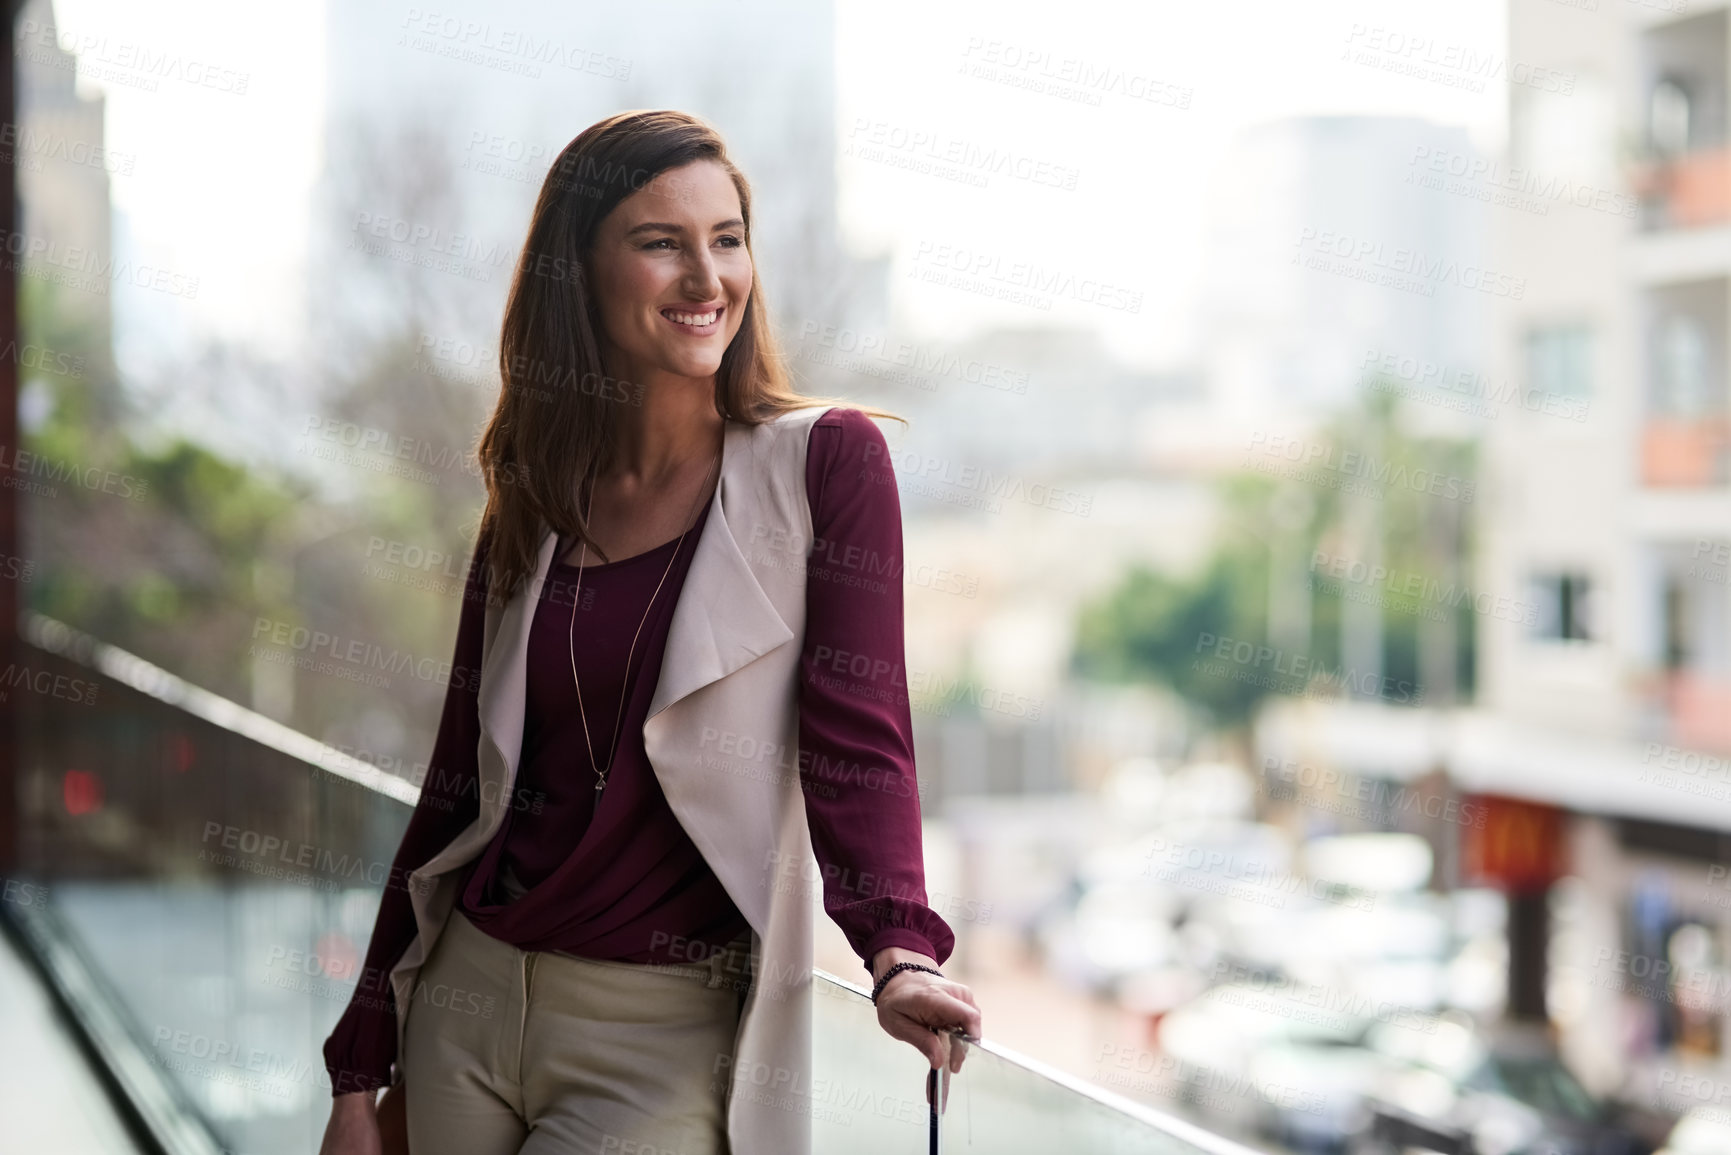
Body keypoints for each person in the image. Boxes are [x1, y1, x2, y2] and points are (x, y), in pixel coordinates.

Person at [317, 109, 981, 1155]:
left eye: (727, 239)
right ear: (577, 272)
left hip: (663, 1043)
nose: (706, 278)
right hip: (466, 1009)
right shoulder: (534, 501)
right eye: (661, 242)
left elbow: (861, 740)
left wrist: (899, 950)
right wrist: (359, 1065)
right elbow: (456, 787)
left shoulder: (826, 468)